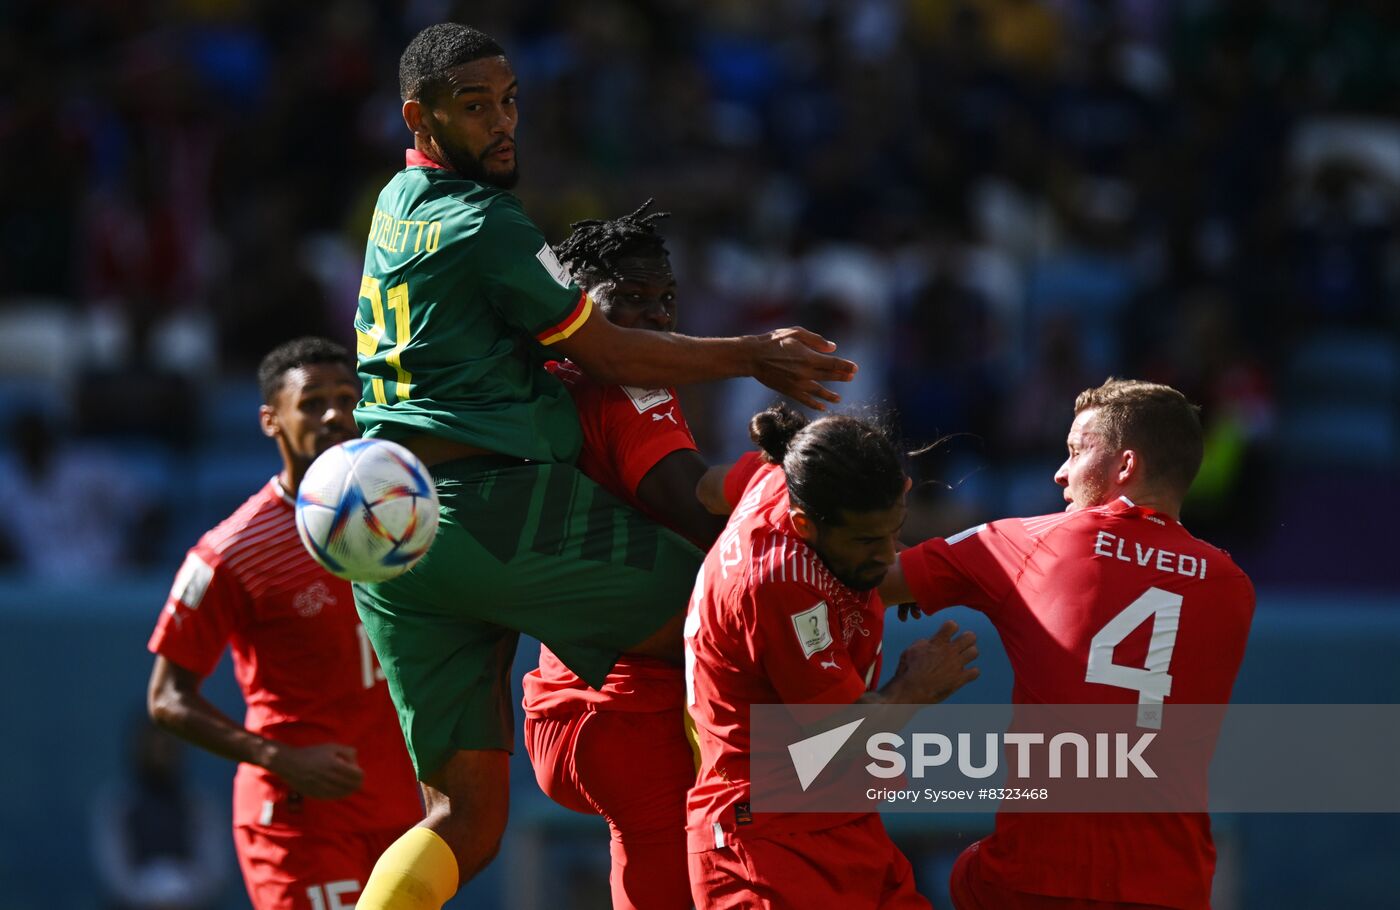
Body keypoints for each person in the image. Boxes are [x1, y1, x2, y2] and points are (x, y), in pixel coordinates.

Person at [351, 23, 856, 908]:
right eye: (476, 108)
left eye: (509, 102)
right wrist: (752, 356)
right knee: (734, 618)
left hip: (396, 535)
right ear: (418, 116)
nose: (503, 125)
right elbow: (614, 356)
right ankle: (753, 861)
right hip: (490, 507)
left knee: (461, 825)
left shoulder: (396, 203)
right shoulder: (489, 225)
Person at [882, 379, 1256, 910]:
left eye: (1076, 452)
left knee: (964, 876)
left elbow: (870, 578)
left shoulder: (1036, 541)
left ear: (1125, 467)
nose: (1060, 472)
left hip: (1037, 877)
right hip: (1173, 884)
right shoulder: (1232, 585)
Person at [146, 338, 422, 910]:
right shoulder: (233, 550)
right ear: (270, 420)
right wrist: (279, 758)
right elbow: (167, 698)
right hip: (300, 820)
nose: (334, 415)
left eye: (346, 399)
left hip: (402, 811)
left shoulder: (407, 516)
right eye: (313, 402)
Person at [685, 404, 981, 910]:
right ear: (804, 525)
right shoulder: (779, 584)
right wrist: (915, 687)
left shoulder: (789, 475)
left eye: (894, 530)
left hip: (835, 819)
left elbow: (709, 487)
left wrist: (871, 563)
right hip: (768, 841)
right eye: (867, 541)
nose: (889, 556)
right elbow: (831, 744)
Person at [522, 201, 726, 910]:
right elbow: (685, 497)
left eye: (665, 298)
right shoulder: (630, 381)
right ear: (580, 303)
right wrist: (806, 523)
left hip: (562, 700)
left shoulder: (535, 376)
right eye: (629, 300)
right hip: (634, 707)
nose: (655, 315)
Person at [91, 714, 227, 910]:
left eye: (167, 746)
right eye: (153, 745)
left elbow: (215, 871)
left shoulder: (199, 805)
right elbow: (115, 874)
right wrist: (151, 897)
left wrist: (182, 895)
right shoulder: (118, 806)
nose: (160, 753)